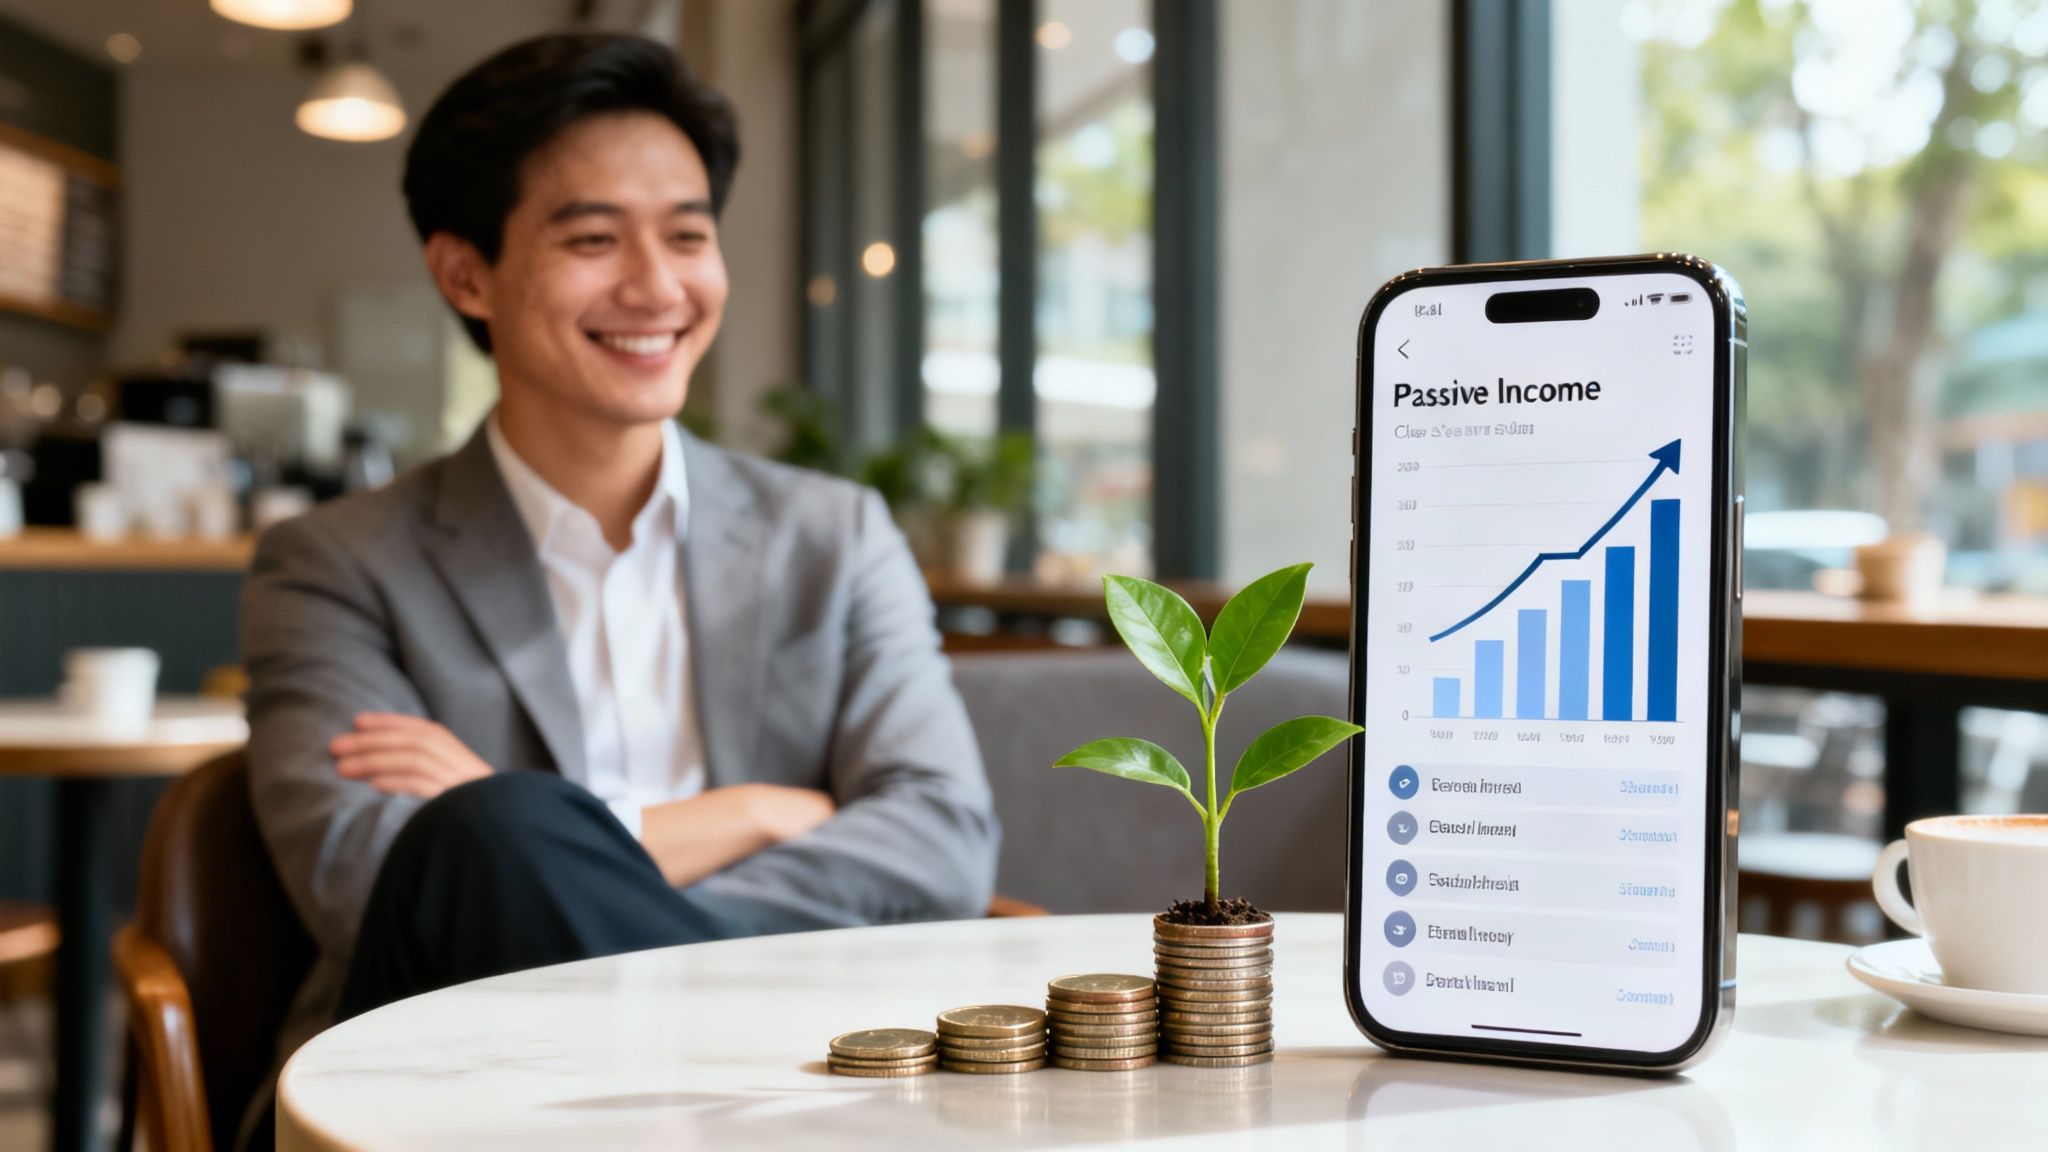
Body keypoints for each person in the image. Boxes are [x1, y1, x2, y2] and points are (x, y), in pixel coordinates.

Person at [237, 31, 998, 1147]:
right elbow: (369, 879)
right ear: (465, 274)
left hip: (775, 1081)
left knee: (497, 827)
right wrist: (741, 815)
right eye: (592, 238)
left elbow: (940, 840)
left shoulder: (830, 536)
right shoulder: (337, 563)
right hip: (438, 1090)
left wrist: (569, 872)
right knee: (490, 834)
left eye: (687, 235)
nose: (655, 286)